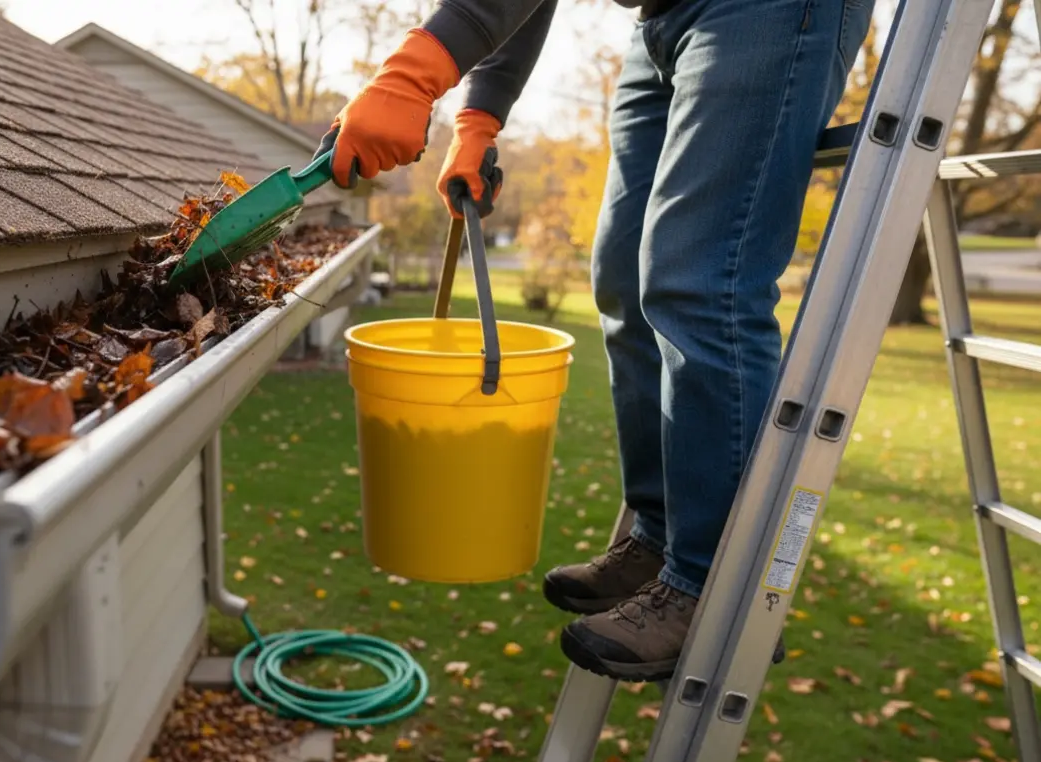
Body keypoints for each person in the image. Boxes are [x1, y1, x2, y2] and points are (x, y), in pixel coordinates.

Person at [315, 0, 875, 682]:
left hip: (767, 12)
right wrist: (477, 119)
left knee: (700, 280)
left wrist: (412, 75)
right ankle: (661, 535)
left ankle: (709, 586)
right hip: (662, 23)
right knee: (621, 276)